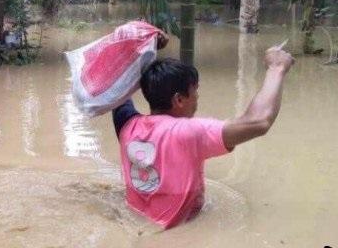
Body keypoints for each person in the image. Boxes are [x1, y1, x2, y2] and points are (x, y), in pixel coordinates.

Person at [111, 36, 295, 229]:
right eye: (195, 91)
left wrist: (139, 47)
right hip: (177, 231)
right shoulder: (189, 133)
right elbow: (259, 121)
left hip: (135, 221)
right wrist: (276, 68)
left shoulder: (127, 125)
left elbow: (117, 87)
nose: (198, 97)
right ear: (179, 100)